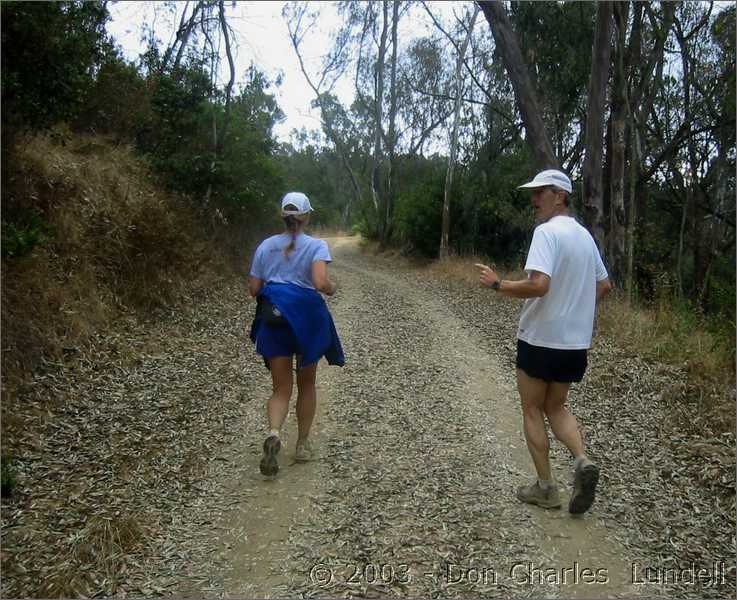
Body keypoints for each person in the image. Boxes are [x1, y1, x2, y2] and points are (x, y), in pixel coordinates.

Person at [475, 169, 611, 514]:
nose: (535, 200)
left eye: (541, 193)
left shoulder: (546, 233)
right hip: (574, 343)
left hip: (540, 340)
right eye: (534, 193)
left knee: (533, 408)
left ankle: (546, 488)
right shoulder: (584, 237)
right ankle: (582, 461)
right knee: (557, 407)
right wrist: (577, 309)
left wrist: (497, 284)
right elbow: (604, 285)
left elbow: (539, 285)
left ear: (560, 196)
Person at [248, 191, 344, 478]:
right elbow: (318, 281)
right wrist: (331, 287)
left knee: (280, 389)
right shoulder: (316, 246)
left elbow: (254, 289)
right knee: (307, 383)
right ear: (307, 217)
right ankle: (301, 445)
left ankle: (274, 432)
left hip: (274, 319)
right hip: (306, 320)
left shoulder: (266, 246)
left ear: (283, 216)